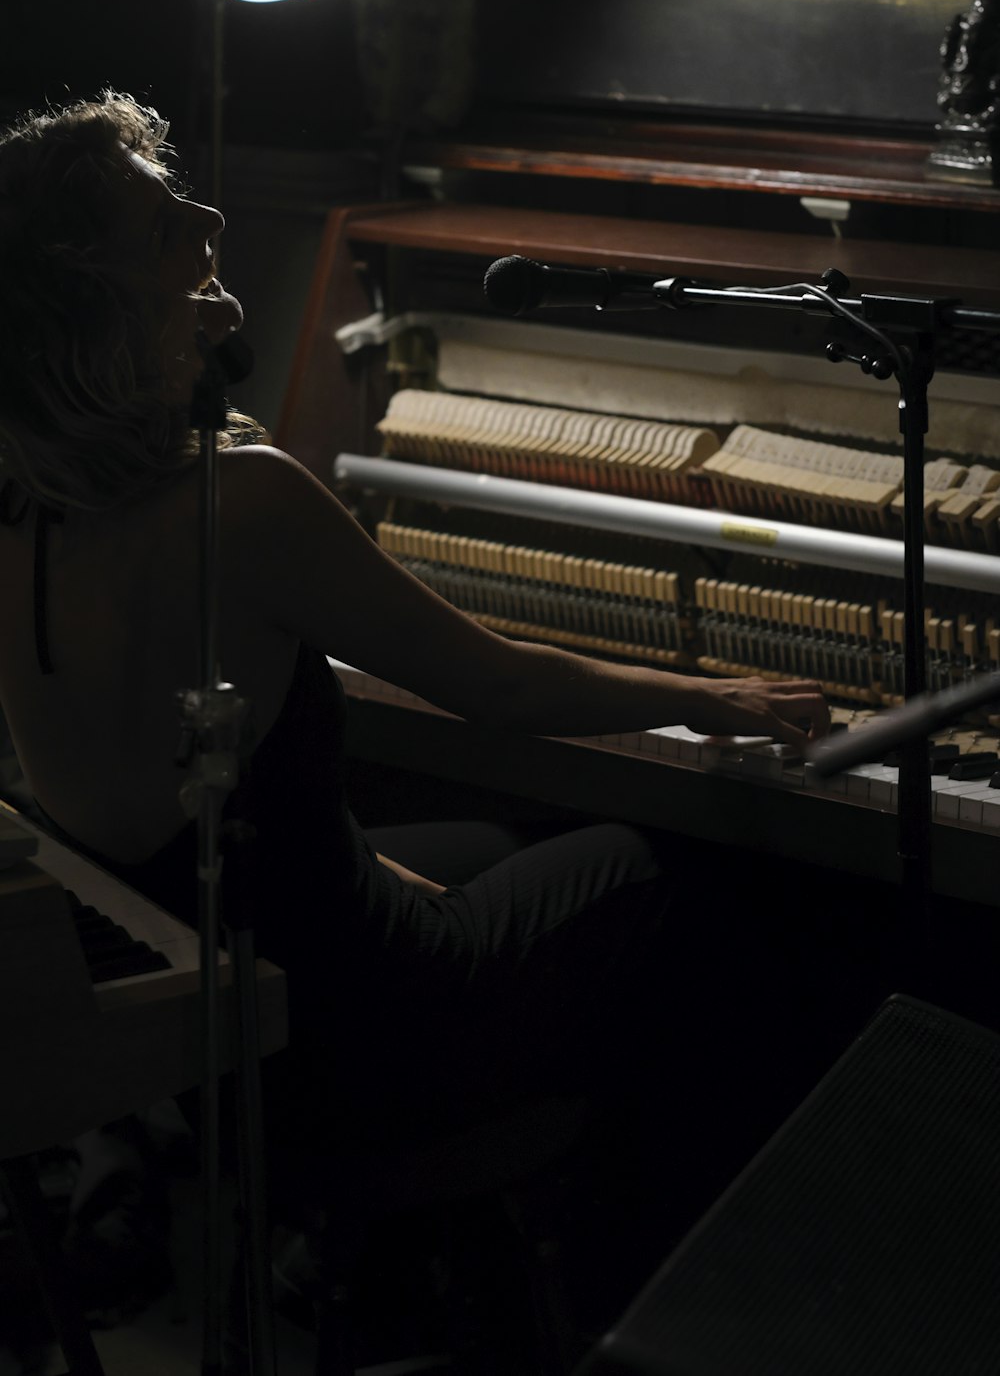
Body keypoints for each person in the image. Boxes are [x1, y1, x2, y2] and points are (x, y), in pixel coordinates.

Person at [0, 92, 832, 1169]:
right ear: (90, 302)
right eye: (168, 227)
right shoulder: (236, 502)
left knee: (491, 847)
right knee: (680, 869)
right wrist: (708, 696)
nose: (213, 224)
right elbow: (502, 690)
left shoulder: (20, 500)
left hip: (214, 1025)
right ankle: (630, 1254)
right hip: (347, 1042)